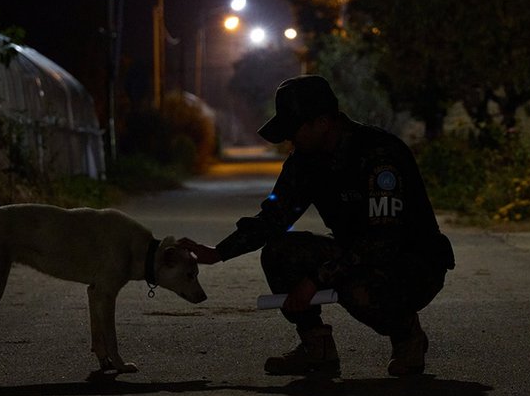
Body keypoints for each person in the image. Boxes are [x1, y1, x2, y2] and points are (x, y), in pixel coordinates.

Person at [180, 75, 455, 377]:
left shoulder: (379, 156)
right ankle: (317, 348)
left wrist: (316, 278)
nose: (290, 139)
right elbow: (274, 218)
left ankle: (407, 337)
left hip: (412, 263)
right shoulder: (306, 160)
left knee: (356, 288)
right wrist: (218, 253)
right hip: (354, 253)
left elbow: (382, 241)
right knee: (279, 252)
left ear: (322, 122)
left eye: (294, 130)